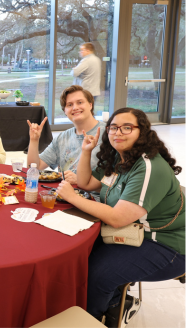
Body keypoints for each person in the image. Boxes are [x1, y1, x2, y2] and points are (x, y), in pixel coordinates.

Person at [56, 107, 185, 328]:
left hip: (166, 244)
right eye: (113, 127)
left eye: (127, 127)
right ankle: (116, 302)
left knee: (97, 275)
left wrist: (73, 198)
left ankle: (93, 320)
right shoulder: (119, 156)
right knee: (74, 254)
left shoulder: (148, 167)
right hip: (131, 232)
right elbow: (86, 183)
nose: (118, 132)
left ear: (142, 132)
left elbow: (118, 218)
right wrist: (87, 151)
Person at [27, 85, 106, 193]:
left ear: (90, 105)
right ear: (64, 111)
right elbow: (35, 167)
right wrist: (34, 140)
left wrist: (80, 181)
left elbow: (115, 180)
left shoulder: (108, 134)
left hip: (93, 200)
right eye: (69, 105)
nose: (75, 108)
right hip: (63, 196)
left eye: (80, 102)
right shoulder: (62, 138)